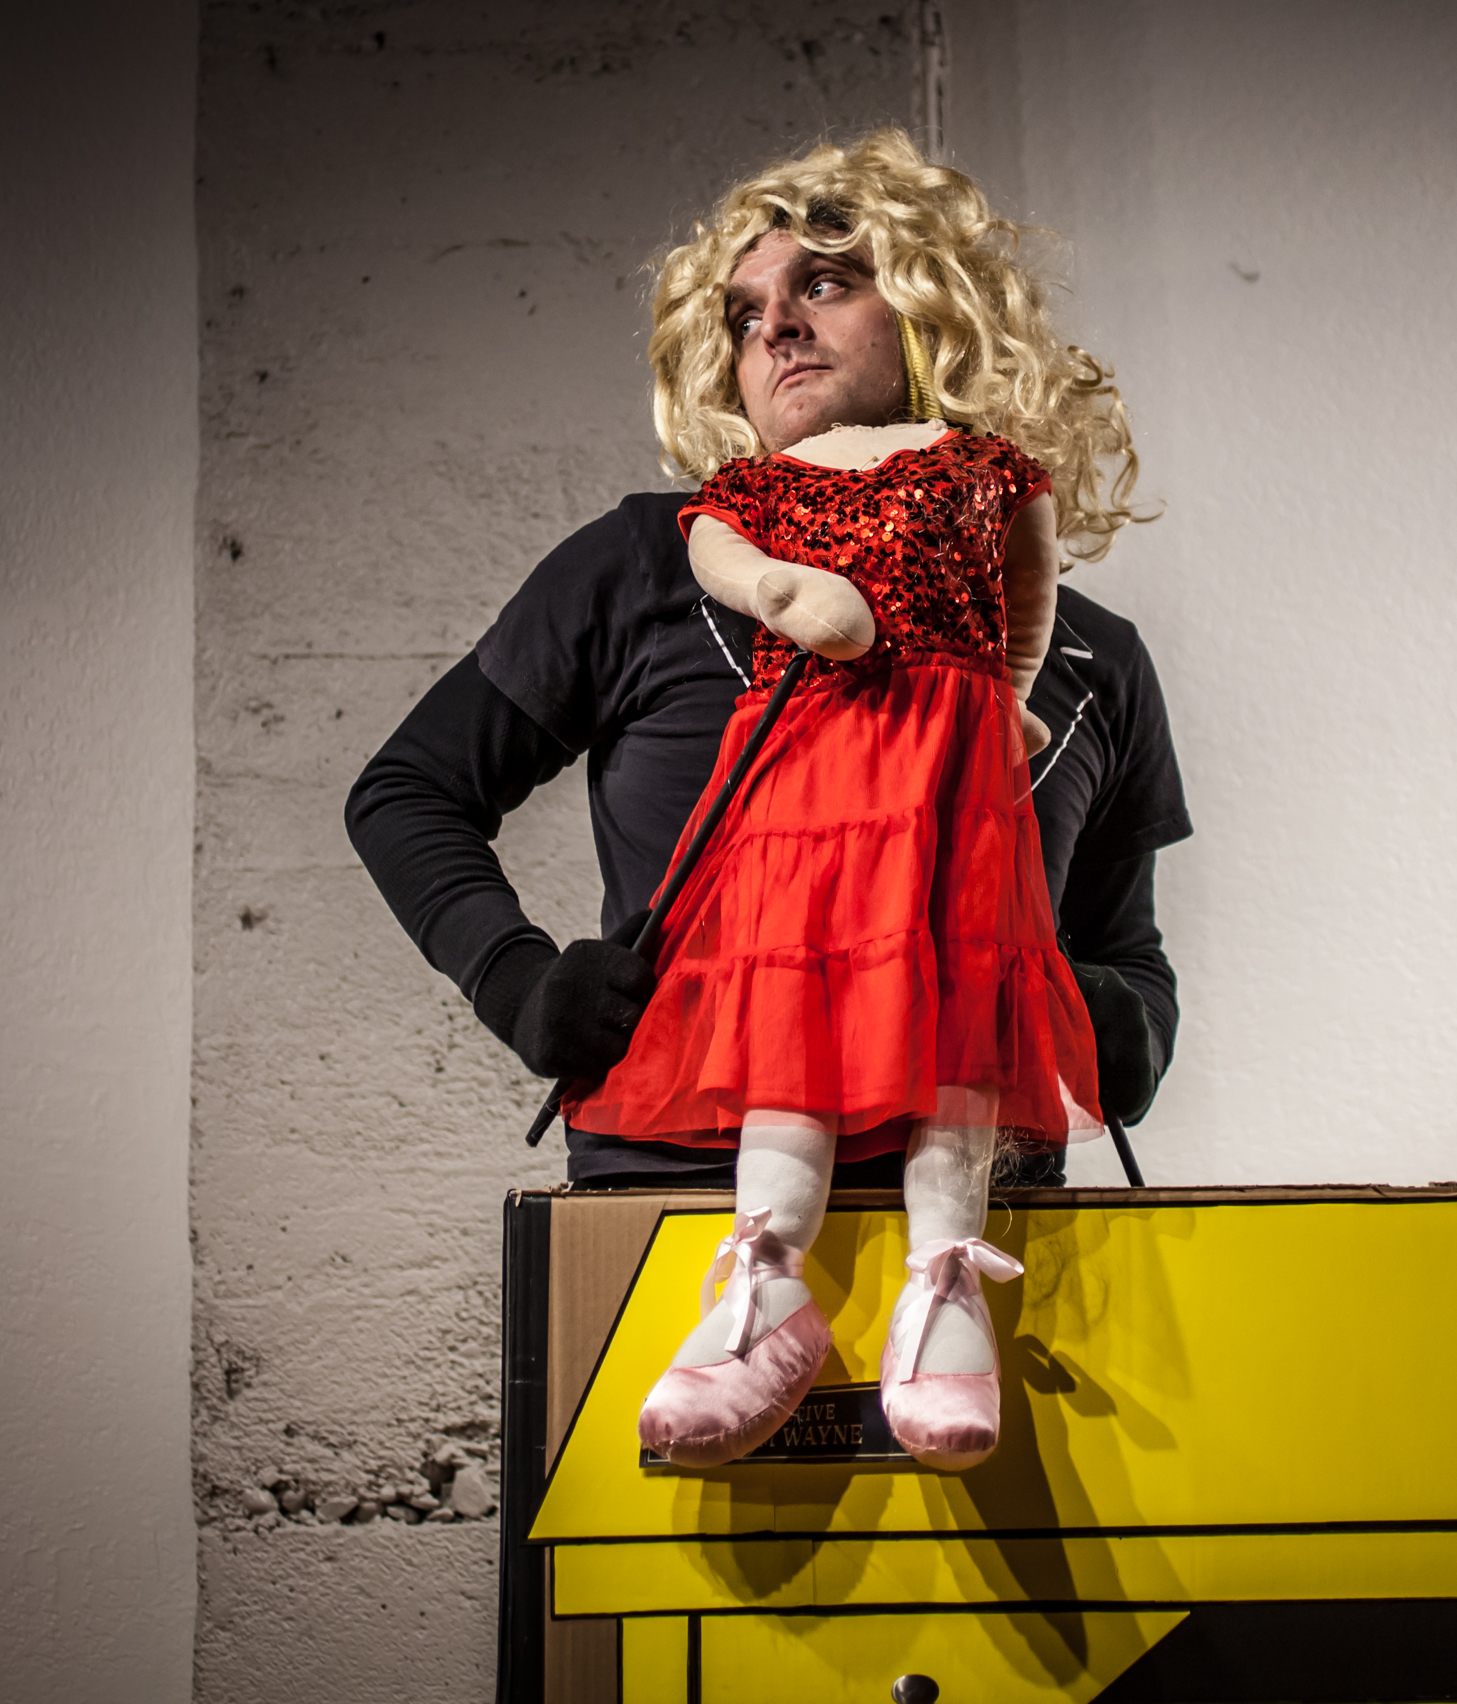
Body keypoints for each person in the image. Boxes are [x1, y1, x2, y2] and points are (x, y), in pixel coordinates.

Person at [345, 132, 1191, 1469]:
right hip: (683, 1205)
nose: (776, 328)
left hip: (987, 1241)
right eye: (743, 316)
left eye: (826, 285)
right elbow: (407, 792)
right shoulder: (649, 564)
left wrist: (1119, 1026)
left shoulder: (1085, 658)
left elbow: (1128, 949)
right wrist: (517, 983)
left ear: (938, 315)